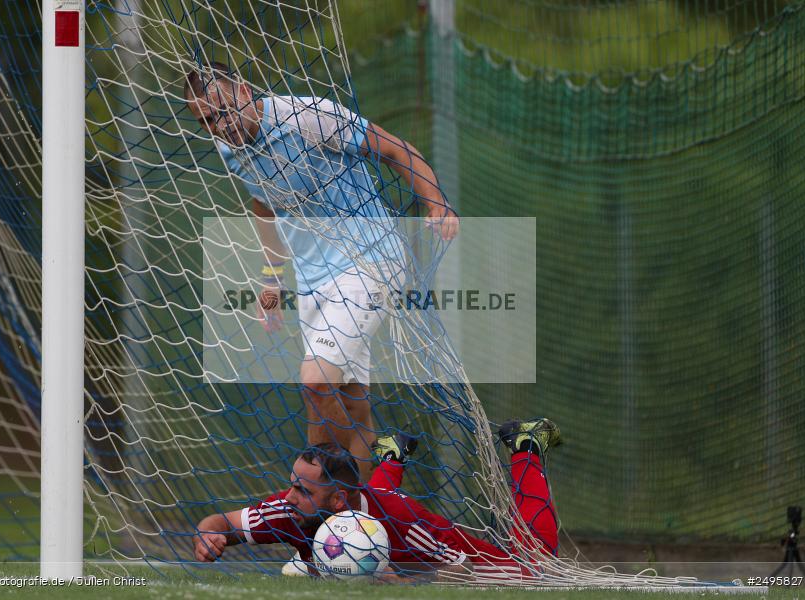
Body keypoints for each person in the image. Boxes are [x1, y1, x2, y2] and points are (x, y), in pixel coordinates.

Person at [184, 62, 459, 482]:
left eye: (223, 111)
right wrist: (272, 277)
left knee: (315, 382)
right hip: (314, 282)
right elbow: (264, 203)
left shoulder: (309, 117)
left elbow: (396, 149)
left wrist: (436, 204)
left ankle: (344, 490)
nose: (220, 125)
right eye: (207, 120)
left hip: (371, 260)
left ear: (244, 91)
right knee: (344, 408)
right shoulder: (229, 149)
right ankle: (354, 514)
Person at [193, 418, 562, 581]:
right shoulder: (291, 509)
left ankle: (526, 445)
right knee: (374, 498)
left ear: (337, 501)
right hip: (370, 501)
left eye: (303, 491)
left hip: (447, 547)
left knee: (538, 566)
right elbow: (221, 522)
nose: (289, 497)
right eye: (292, 485)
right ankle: (393, 454)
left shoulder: (403, 524)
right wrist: (209, 536)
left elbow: (461, 568)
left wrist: (404, 583)